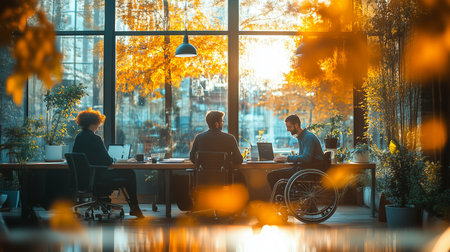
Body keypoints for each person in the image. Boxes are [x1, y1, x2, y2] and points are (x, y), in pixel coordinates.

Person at [72, 108, 144, 218]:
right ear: (94, 123)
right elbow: (107, 161)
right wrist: (120, 160)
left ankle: (133, 207)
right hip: (99, 179)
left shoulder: (78, 138)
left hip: (84, 180)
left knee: (126, 173)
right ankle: (135, 207)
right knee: (129, 173)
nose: (98, 126)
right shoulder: (95, 139)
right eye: (98, 124)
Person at [267, 114, 324, 190]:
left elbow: (307, 157)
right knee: (274, 175)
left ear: (296, 125)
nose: (287, 129)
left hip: (307, 171)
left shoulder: (308, 137)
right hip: (304, 169)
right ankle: (282, 197)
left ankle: (282, 199)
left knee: (272, 176)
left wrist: (287, 158)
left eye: (289, 127)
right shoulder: (302, 137)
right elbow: (305, 157)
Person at [189, 111, 245, 182]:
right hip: (224, 180)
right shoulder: (229, 138)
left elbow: (192, 158)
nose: (223, 123)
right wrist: (228, 162)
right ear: (216, 124)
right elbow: (239, 159)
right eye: (222, 121)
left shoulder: (199, 138)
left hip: (204, 180)